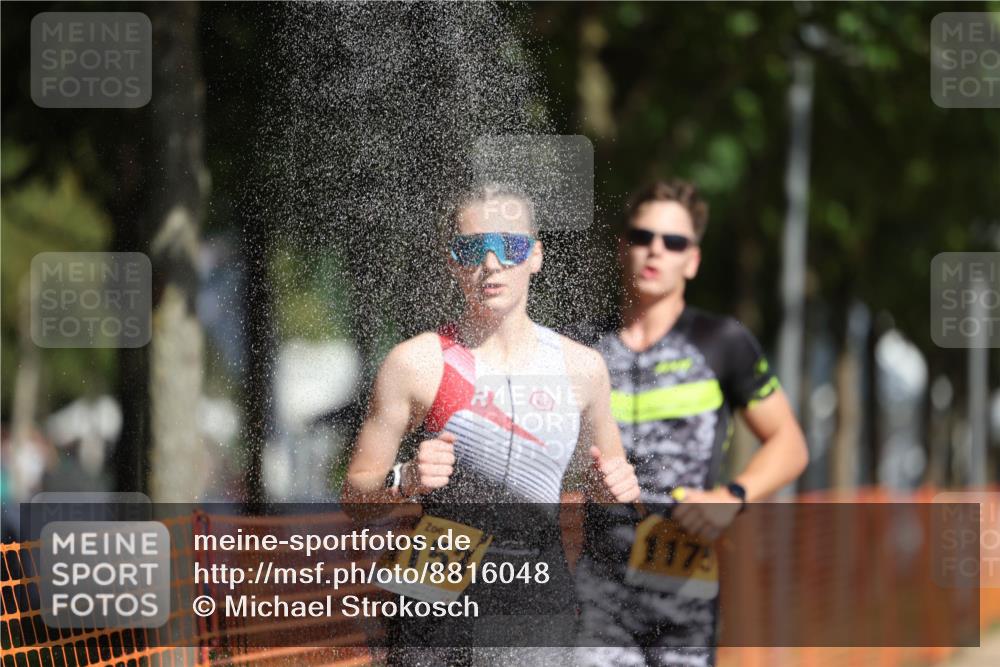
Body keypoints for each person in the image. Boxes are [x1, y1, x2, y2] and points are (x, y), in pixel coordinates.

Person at [341, 183, 640, 665]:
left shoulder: (583, 369)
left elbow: (609, 483)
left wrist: (616, 489)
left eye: (511, 246)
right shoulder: (415, 363)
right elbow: (355, 498)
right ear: (452, 261)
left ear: (536, 256)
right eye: (472, 247)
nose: (492, 262)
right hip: (434, 573)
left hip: (535, 582)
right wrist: (405, 480)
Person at [574, 179, 809, 667]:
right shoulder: (579, 346)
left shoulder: (723, 340)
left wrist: (732, 498)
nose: (656, 250)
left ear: (693, 260)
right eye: (642, 237)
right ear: (623, 247)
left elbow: (790, 443)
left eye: (674, 241)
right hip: (595, 590)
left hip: (684, 593)